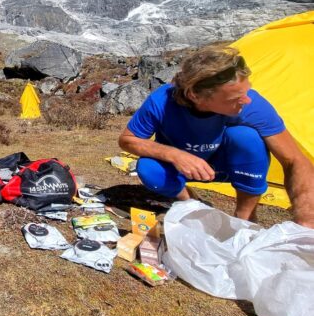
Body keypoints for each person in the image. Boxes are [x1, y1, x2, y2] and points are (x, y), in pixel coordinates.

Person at [118, 45, 314, 227]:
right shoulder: (162, 101)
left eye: (247, 91)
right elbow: (127, 140)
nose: (246, 100)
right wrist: (176, 155)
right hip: (183, 169)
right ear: (195, 95)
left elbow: (295, 160)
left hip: (226, 166)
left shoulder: (252, 105)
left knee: (246, 137)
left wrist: (307, 218)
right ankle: (192, 204)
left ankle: (245, 220)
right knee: (148, 168)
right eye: (235, 98)